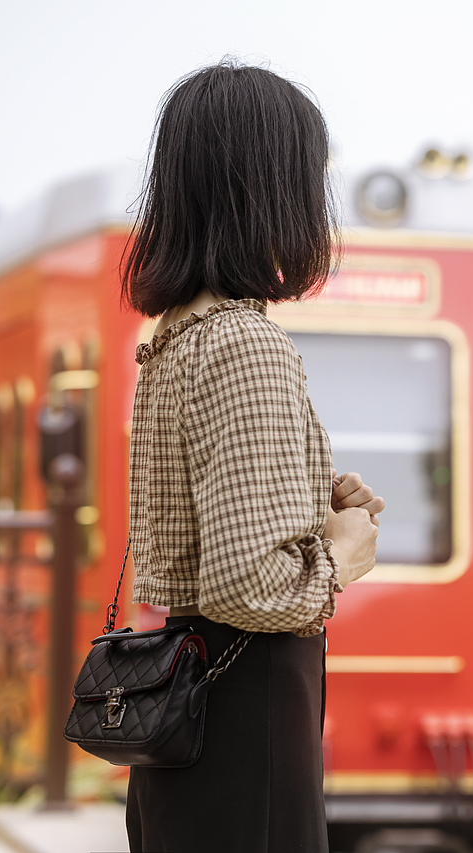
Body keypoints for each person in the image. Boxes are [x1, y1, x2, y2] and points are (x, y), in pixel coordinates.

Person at [119, 61, 383, 853]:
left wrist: (308, 496)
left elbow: (205, 531)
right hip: (248, 712)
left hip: (187, 713)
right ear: (267, 186)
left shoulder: (173, 341)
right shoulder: (245, 345)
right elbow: (248, 584)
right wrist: (341, 555)